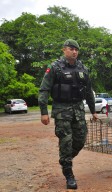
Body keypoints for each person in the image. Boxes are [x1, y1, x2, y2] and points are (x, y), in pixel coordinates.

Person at [38, 39, 98, 189]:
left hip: (78, 109)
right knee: (66, 142)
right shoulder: (55, 67)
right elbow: (44, 89)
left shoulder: (83, 68)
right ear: (64, 50)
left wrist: (93, 111)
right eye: (71, 49)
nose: (74, 51)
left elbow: (89, 92)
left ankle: (65, 160)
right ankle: (69, 175)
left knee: (80, 140)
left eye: (76, 49)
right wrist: (43, 112)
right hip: (61, 110)